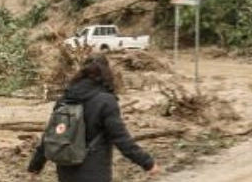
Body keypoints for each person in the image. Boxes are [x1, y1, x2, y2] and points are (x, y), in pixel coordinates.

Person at [28, 53, 160, 180]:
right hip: (94, 171)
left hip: (65, 171)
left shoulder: (65, 99)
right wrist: (147, 163)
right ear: (107, 73)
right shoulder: (106, 101)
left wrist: (35, 167)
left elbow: (50, 135)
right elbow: (121, 139)